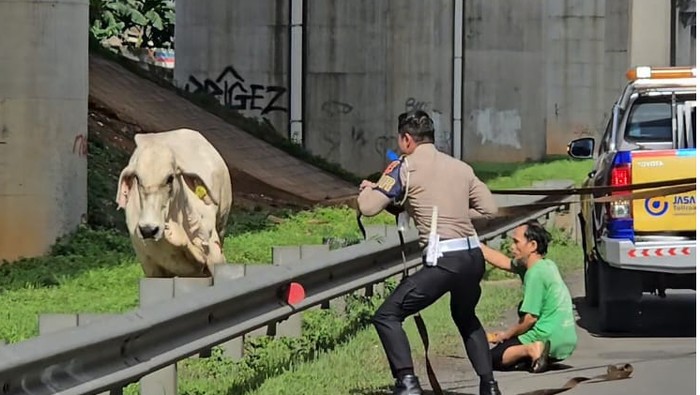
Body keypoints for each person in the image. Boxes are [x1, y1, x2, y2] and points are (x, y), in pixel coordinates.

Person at [356, 109, 502, 395]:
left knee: (387, 316)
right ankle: (490, 385)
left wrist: (367, 189)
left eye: (401, 139)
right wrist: (454, 211)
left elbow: (369, 208)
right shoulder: (461, 167)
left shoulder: (402, 167)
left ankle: (408, 383)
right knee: (465, 316)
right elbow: (491, 209)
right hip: (473, 257)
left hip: (444, 260)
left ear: (407, 139)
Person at [479, 220, 578, 373]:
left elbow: (530, 319)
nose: (512, 247)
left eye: (516, 242)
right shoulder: (547, 265)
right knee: (511, 349)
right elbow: (505, 263)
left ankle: (531, 350)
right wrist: (475, 244)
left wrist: (505, 335)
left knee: (490, 359)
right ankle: (536, 357)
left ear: (532, 245)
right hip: (565, 339)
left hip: (547, 336)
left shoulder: (534, 274)